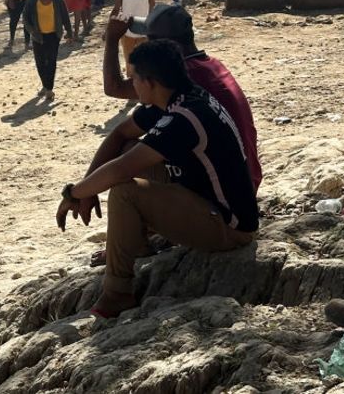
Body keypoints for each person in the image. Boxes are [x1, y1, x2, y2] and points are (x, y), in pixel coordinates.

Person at [55, 39, 258, 318]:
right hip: (200, 198)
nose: (132, 85)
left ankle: (117, 294)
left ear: (150, 82)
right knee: (127, 151)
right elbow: (119, 136)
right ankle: (135, 242)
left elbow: (121, 171)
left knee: (125, 191)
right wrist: (88, 188)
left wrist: (73, 193)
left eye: (133, 78)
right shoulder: (176, 99)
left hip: (228, 225)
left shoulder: (185, 118)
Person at [102, 3, 262, 192]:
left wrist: (112, 40)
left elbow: (114, 87)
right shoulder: (208, 65)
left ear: (170, 47)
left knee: (125, 170)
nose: (146, 45)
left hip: (228, 190)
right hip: (245, 177)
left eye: (151, 40)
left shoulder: (183, 77)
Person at [21, 0, 74, 100]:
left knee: (51, 62)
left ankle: (49, 89)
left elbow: (65, 16)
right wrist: (32, 31)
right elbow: (25, 18)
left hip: (53, 35)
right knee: (40, 63)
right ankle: (45, 85)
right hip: (38, 36)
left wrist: (69, 33)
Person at [110, 0, 156, 69]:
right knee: (129, 63)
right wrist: (110, 26)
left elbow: (152, 9)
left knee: (143, 63)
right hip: (127, 30)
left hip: (143, 30)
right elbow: (117, 8)